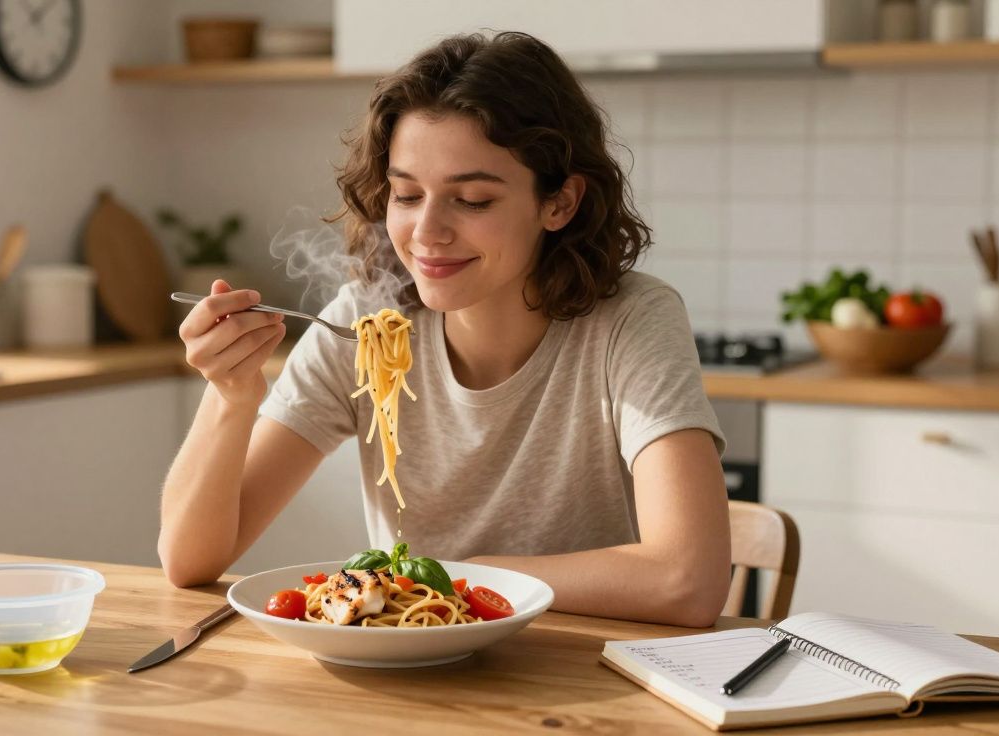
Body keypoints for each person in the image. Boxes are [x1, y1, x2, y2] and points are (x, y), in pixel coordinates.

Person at [159, 31, 729, 627]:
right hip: (402, 683)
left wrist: (462, 579)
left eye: (473, 200)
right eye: (406, 195)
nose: (427, 232)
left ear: (558, 203)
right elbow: (188, 560)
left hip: (583, 680)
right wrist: (231, 397)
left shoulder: (631, 322)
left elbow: (686, 581)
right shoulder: (365, 322)